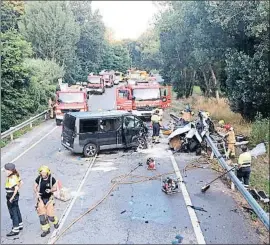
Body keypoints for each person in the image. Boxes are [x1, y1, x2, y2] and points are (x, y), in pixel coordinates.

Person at [34, 166, 59, 237]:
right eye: (41, 172)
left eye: (44, 172)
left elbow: (55, 188)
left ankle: (55, 221)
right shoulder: (39, 179)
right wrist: (36, 192)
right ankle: (46, 230)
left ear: (47, 172)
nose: (43, 174)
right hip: (41, 200)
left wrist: (50, 190)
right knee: (42, 217)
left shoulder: (52, 179)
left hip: (49, 200)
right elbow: (35, 186)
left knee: (50, 216)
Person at [4, 163, 23, 236]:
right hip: (15, 196)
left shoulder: (11, 178)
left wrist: (11, 198)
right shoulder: (16, 175)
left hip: (11, 196)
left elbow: (16, 188)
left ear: (10, 171)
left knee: (13, 212)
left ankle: (15, 229)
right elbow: (21, 182)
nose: (5, 171)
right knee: (17, 210)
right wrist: (17, 191)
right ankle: (20, 225)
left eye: (6, 170)